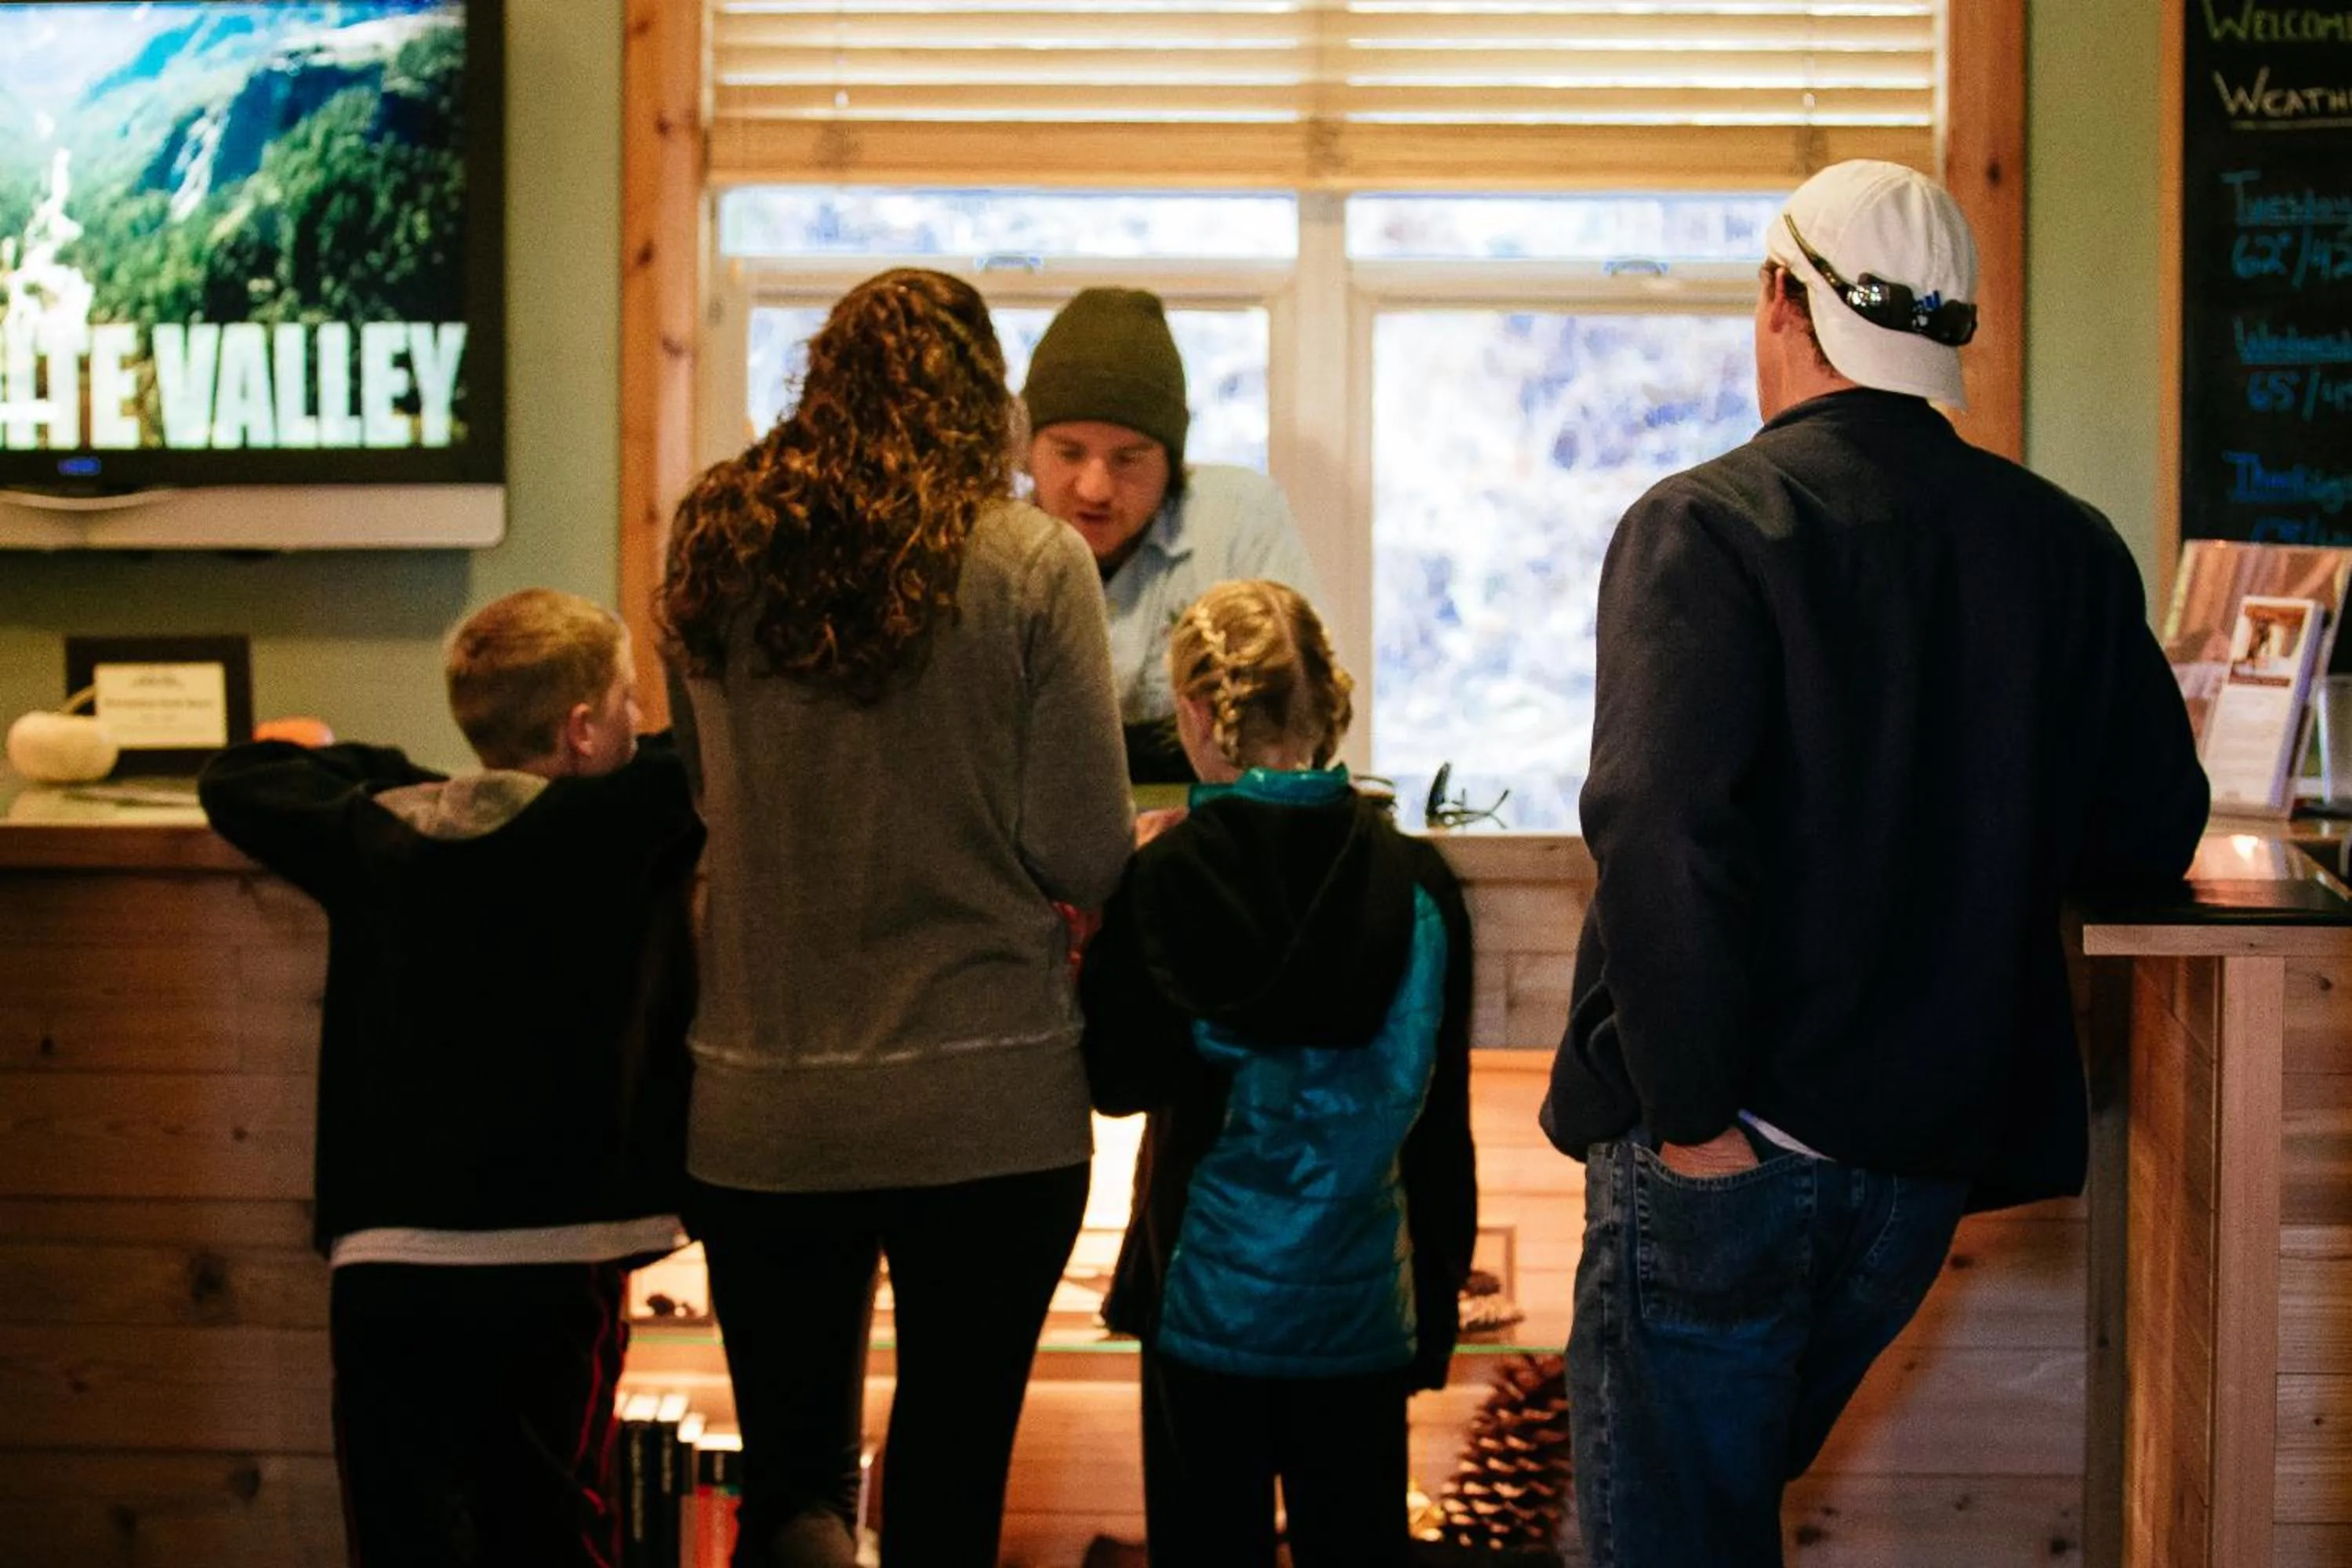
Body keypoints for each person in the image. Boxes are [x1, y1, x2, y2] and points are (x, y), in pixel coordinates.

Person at [1541, 159, 2211, 1566]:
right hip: (1919, 1174)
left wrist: (1692, 1127)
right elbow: (2152, 835)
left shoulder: (1706, 525)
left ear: (1781, 299)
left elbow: (1660, 829)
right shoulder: (2069, 551)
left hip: (1725, 1153)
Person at [658, 267, 1134, 1568]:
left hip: (763, 1107)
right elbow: (1083, 847)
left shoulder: (711, 541)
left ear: (822, 378)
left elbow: (708, 792)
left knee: (794, 1491)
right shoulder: (1031, 559)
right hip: (988, 1106)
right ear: (987, 399)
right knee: (948, 1485)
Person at [198, 587, 705, 1568]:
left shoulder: (376, 831)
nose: (640, 724)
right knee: (551, 1527)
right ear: (583, 726)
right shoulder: (624, 818)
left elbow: (242, 776)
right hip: (557, 1248)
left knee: (401, 1533)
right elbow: (722, 754)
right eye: (626, 703)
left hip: (389, 1252)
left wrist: (389, 764)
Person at [1079, 579, 1476, 1568]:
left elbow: (1116, 1078)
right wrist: (1434, 1323)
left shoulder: (1170, 873)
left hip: (1206, 1301)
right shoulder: (1421, 888)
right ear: (1328, 708)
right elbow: (1440, 1132)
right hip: (1365, 1309)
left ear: (1204, 717)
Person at [1022, 286, 1323, 780]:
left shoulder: (1239, 519)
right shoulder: (987, 546)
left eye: (1129, 458)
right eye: (1069, 453)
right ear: (1025, 449)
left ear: (1173, 462)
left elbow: (1296, 720)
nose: (1095, 488)